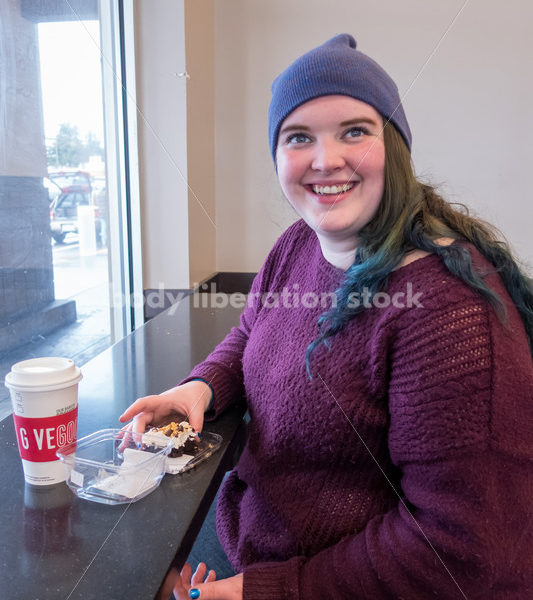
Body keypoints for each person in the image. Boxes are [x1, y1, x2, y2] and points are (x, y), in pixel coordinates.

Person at [120, 34, 533, 600]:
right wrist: (201, 388)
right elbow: (251, 333)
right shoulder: (299, 245)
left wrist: (255, 592)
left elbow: (457, 551)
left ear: (395, 147)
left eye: (355, 131)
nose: (325, 159)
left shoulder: (449, 314)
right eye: (299, 137)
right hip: (250, 534)